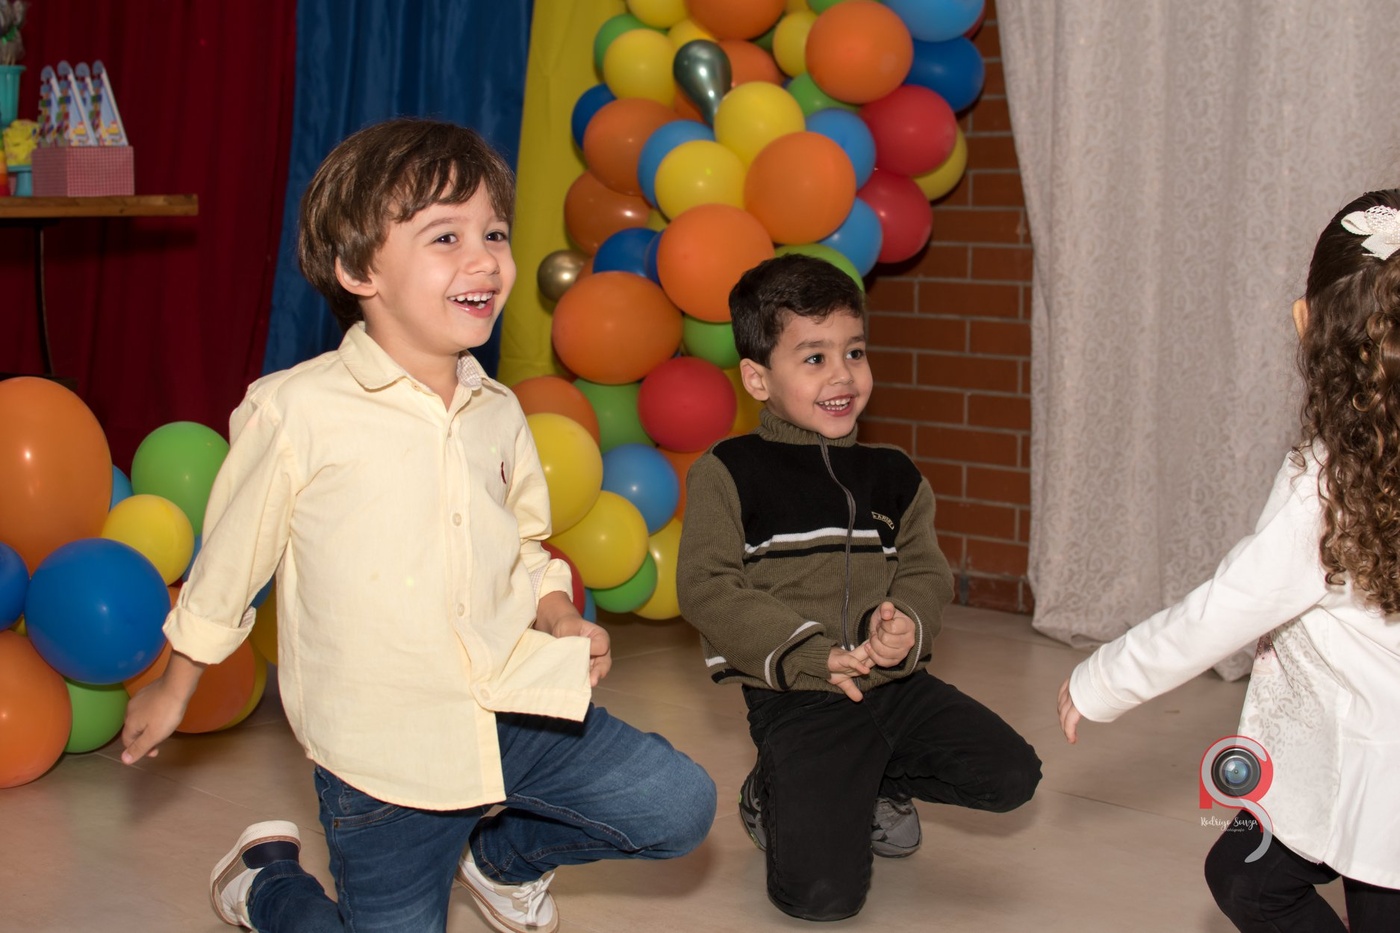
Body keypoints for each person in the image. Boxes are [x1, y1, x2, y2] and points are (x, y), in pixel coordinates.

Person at [119, 118, 716, 933]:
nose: (486, 259)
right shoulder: (298, 411)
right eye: (446, 236)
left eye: (494, 233)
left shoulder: (498, 410)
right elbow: (229, 563)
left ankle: (500, 862)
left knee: (677, 804)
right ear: (359, 268)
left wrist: (556, 613)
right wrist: (175, 684)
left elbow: (525, 545)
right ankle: (267, 886)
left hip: (511, 710)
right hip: (381, 760)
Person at [1058, 189, 1400, 932]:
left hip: (1375, 770)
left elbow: (1228, 607)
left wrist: (1103, 679)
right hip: (1359, 765)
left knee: (1261, 880)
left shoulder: (1327, 484)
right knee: (1247, 875)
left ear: (1305, 321)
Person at [676, 253, 1041, 921]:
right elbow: (707, 587)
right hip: (799, 698)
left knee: (1012, 774)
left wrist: (907, 623)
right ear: (758, 377)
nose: (843, 374)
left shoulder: (894, 473)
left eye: (854, 351)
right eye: (814, 358)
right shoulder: (728, 471)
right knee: (821, 899)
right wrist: (812, 653)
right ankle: (773, 790)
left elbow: (925, 570)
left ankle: (877, 777)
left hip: (895, 686)